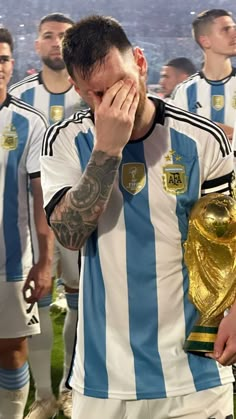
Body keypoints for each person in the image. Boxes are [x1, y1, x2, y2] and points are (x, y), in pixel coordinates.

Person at [40, 15, 236, 419]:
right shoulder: (64, 141)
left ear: (141, 63)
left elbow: (227, 239)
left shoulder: (202, 140)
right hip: (104, 376)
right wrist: (107, 150)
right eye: (96, 94)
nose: (113, 104)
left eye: (121, 85)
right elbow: (70, 234)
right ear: (77, 89)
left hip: (193, 372)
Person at [10, 13, 82, 419]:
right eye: (48, 36)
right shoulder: (20, 98)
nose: (56, 42)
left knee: (77, 304)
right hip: (32, 224)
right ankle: (44, 397)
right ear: (36, 46)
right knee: (32, 305)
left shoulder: (92, 92)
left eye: (65, 37)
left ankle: (70, 388)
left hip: (78, 220)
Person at [0, 27, 53, 419]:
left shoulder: (28, 122)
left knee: (13, 350)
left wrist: (45, 259)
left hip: (12, 264)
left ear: (12, 63)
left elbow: (40, 198)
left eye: (3, 59)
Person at [171, 9, 236, 142]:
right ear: (205, 41)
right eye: (226, 30)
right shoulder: (185, 91)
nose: (234, 34)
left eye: (234, 28)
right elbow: (176, 140)